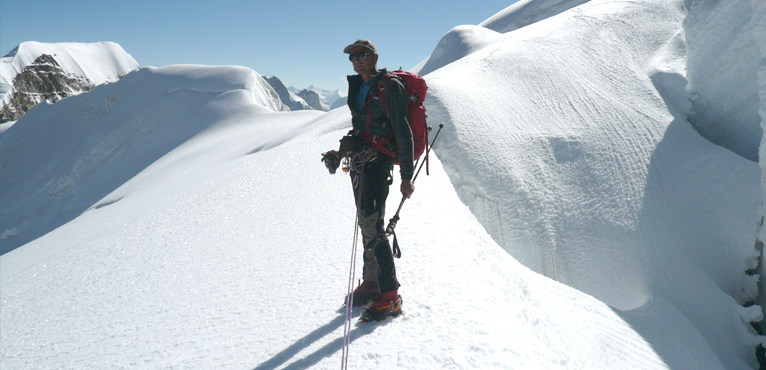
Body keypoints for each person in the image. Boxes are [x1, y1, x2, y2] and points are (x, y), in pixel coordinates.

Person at [322, 39, 414, 321]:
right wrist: (339, 153)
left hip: (377, 164)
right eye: (352, 57)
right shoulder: (359, 86)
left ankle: (390, 296)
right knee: (366, 223)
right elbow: (360, 128)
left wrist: (406, 176)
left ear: (374, 57)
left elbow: (404, 131)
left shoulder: (390, 86)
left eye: (361, 55)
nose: (356, 60)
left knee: (374, 227)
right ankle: (372, 282)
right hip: (361, 161)